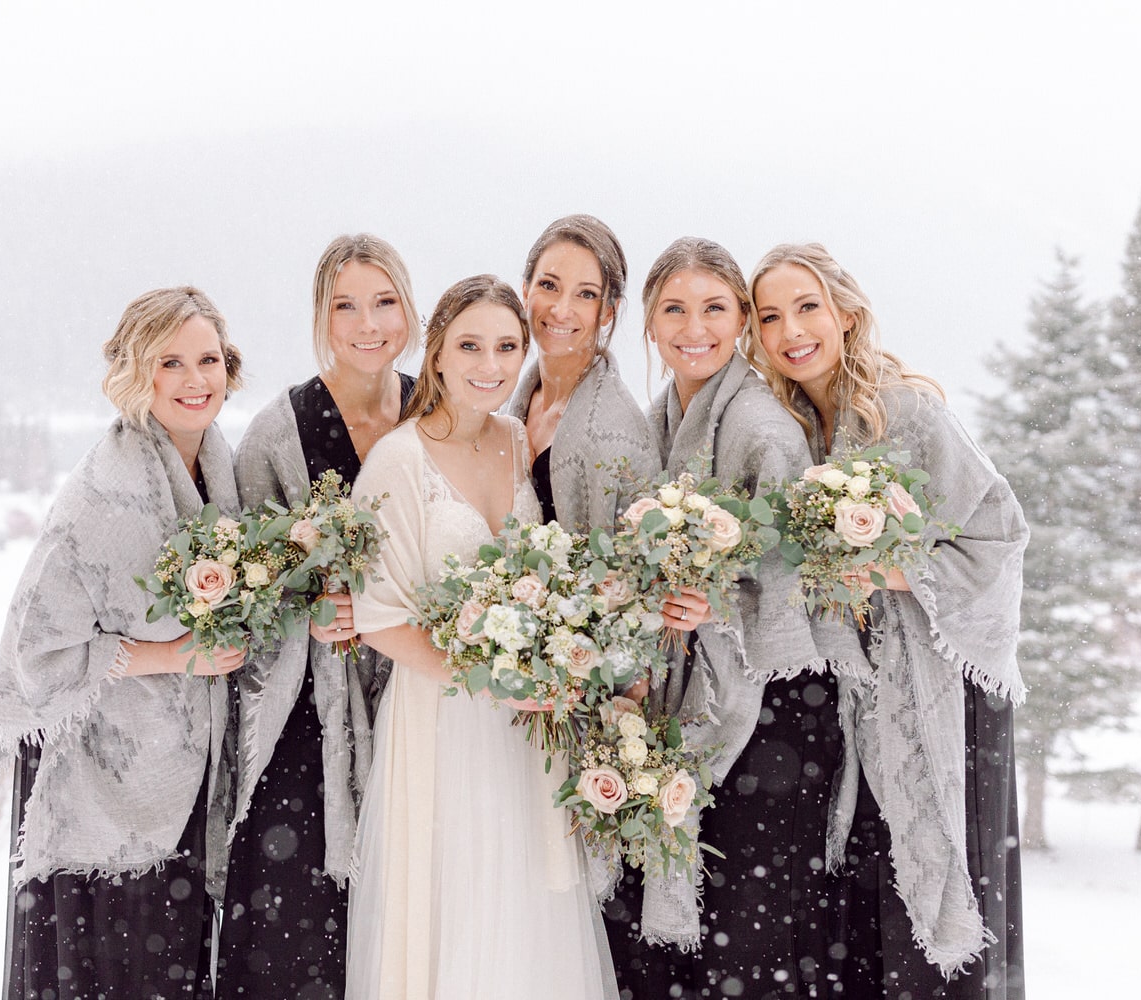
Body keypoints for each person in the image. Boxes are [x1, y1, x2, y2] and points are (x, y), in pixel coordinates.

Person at [750, 242, 1026, 999]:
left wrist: (895, 571)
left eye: (806, 306)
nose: (791, 330)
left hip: (940, 692)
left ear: (845, 312)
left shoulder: (905, 409)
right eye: (770, 316)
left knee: (932, 893)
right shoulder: (795, 425)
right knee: (866, 909)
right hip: (858, 698)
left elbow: (1000, 534)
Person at [0, 287, 246, 1000]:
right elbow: (41, 654)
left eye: (208, 360)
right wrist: (175, 656)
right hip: (101, 786)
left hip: (180, 779)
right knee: (117, 974)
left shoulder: (217, 468)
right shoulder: (106, 493)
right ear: (136, 373)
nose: (196, 380)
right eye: (171, 363)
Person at [344, 274, 617, 999]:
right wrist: (495, 681)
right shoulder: (397, 462)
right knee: (455, 899)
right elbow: (379, 621)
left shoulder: (512, 439)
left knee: (528, 902)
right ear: (436, 355)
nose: (489, 364)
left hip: (526, 730)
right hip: (444, 719)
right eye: (469, 345)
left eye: (505, 346)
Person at [608, 238, 863, 999]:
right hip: (701, 704)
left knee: (756, 937)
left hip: (776, 712)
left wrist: (717, 603)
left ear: (743, 321)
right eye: (675, 309)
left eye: (715, 308)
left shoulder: (761, 429)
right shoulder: (658, 421)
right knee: (706, 934)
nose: (696, 327)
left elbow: (800, 578)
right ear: (649, 326)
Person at [219, 234, 421, 998]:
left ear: (409, 307)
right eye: (345, 306)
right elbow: (244, 590)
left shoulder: (432, 409)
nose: (367, 324)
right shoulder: (280, 431)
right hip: (308, 717)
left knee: (402, 918)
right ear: (320, 316)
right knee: (295, 917)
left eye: (383, 302)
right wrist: (309, 612)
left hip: (413, 691)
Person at [502, 214, 659, 532]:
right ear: (525, 291)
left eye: (585, 294)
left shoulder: (621, 437)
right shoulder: (506, 400)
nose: (561, 310)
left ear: (607, 311)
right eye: (549, 285)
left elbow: (632, 570)